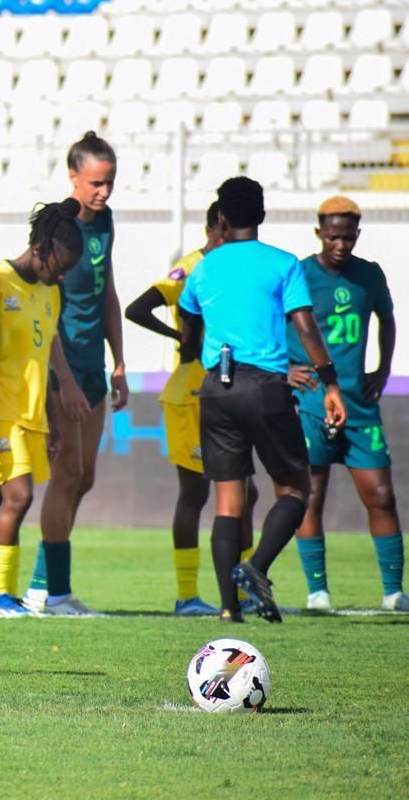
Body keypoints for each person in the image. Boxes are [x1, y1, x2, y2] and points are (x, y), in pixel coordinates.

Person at [178, 176, 347, 623]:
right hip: (266, 388)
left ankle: (228, 609)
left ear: (222, 218)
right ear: (263, 215)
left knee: (228, 504)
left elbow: (187, 323)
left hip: (216, 389)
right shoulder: (283, 263)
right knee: (296, 489)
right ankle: (255, 567)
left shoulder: (204, 267)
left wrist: (193, 348)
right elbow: (305, 326)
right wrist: (330, 383)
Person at [125, 201, 258, 616]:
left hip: (229, 391)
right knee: (196, 494)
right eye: (229, 233)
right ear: (215, 229)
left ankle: (245, 590)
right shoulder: (190, 268)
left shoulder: (234, 268)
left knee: (247, 494)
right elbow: (136, 308)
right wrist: (180, 338)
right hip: (191, 395)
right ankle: (187, 596)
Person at [22, 132, 129, 616]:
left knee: (84, 478)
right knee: (65, 475)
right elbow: (44, 306)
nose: (103, 192)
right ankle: (52, 593)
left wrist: (118, 361)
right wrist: (61, 380)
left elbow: (107, 293)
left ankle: (43, 585)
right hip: (60, 370)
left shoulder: (105, 222)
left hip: (93, 368)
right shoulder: (59, 229)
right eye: (95, 183)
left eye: (109, 182)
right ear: (72, 177)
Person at [286, 196, 406, 612]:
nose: (340, 244)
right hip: (310, 402)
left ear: (357, 234)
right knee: (311, 493)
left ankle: (393, 593)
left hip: (358, 403)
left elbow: (387, 320)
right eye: (333, 236)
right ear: (319, 232)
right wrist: (286, 368)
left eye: (348, 237)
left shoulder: (369, 275)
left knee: (381, 494)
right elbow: (270, 323)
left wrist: (383, 368)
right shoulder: (300, 274)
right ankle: (317, 592)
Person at [0, 199, 82, 617]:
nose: (62, 275)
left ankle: (1, 594)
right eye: (59, 266)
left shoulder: (50, 293)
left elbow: (42, 359)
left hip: (32, 414)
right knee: (19, 497)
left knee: (3, 502)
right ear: (39, 248)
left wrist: (52, 420)